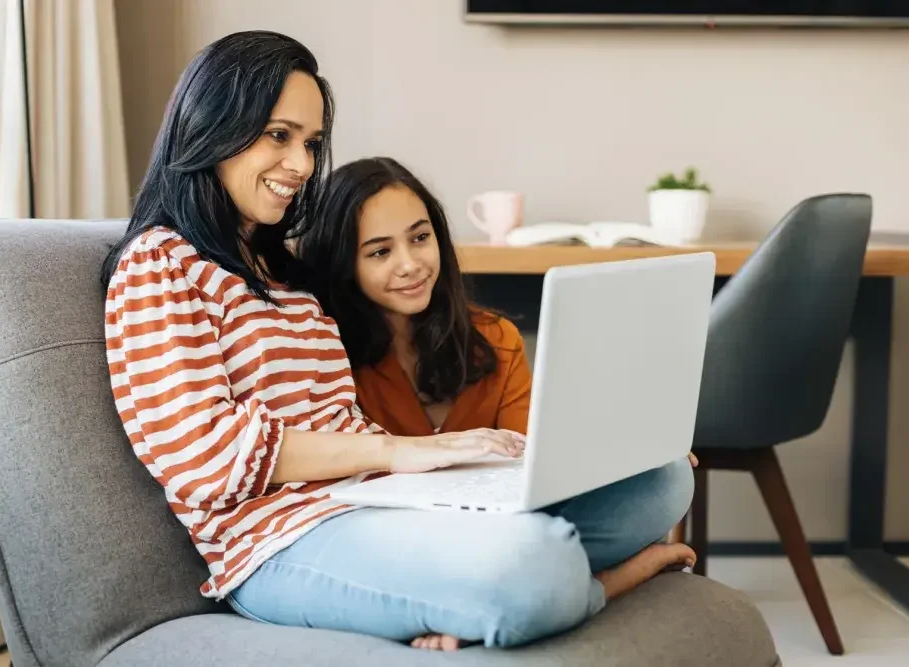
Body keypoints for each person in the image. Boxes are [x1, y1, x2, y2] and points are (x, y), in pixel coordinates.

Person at [102, 31, 695, 654]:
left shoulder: (279, 272)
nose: (302, 166)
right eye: (279, 136)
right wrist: (395, 452)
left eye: (310, 143)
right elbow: (202, 457)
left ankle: (482, 590)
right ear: (213, 123)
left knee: (660, 482)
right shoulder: (159, 263)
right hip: (275, 543)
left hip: (375, 501)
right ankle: (594, 586)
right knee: (534, 564)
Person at [298, 156, 698, 649]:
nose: (410, 264)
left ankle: (516, 592)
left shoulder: (494, 337)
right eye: (379, 252)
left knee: (669, 479)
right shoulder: (326, 359)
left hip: (510, 526)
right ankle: (608, 582)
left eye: (420, 238)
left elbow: (534, 464)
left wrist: (623, 453)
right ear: (343, 264)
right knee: (538, 553)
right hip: (416, 543)